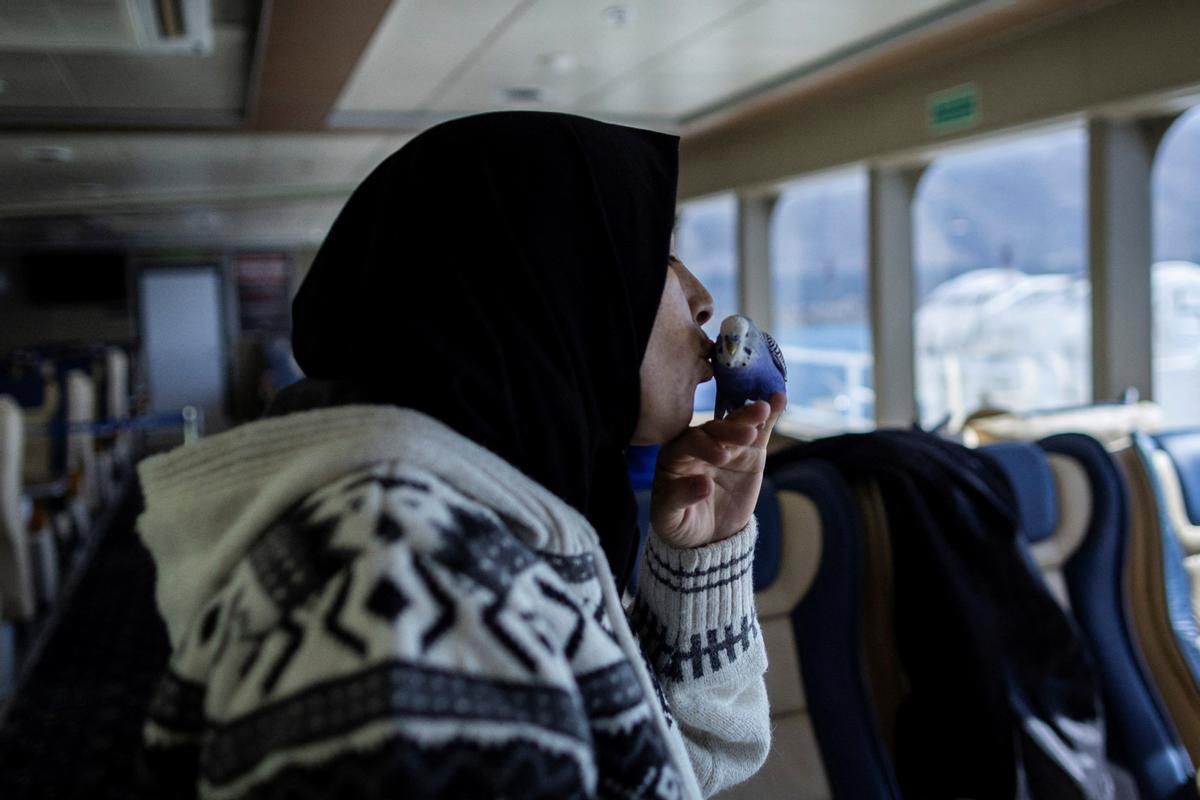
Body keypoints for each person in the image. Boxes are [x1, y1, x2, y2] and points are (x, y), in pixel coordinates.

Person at [135, 111, 785, 799]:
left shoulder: (491, 531)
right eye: (657, 253)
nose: (703, 300)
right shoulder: (405, 592)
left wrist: (700, 558)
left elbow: (686, 765)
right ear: (557, 281)